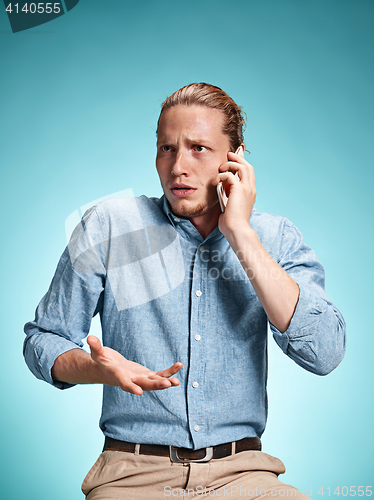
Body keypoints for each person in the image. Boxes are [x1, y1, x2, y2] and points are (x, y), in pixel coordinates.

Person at [24, 83, 346, 499]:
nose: (178, 166)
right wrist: (98, 370)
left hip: (243, 475)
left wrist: (240, 233)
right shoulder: (110, 225)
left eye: (198, 148)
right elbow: (43, 339)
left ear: (236, 158)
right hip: (130, 476)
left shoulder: (275, 237)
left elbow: (325, 352)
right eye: (166, 148)